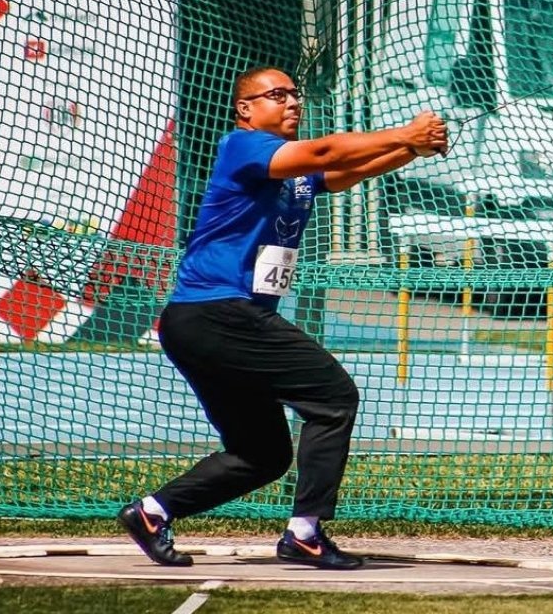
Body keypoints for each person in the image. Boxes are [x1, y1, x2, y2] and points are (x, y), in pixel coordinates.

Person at [117, 66, 448, 570]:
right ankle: (305, 532)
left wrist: (411, 151)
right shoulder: (243, 146)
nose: (292, 102)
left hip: (205, 323)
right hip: (218, 312)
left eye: (295, 95)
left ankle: (152, 512)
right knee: (333, 398)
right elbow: (325, 153)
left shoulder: (290, 175)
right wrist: (405, 132)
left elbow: (342, 172)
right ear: (245, 109)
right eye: (277, 95)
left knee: (261, 455)